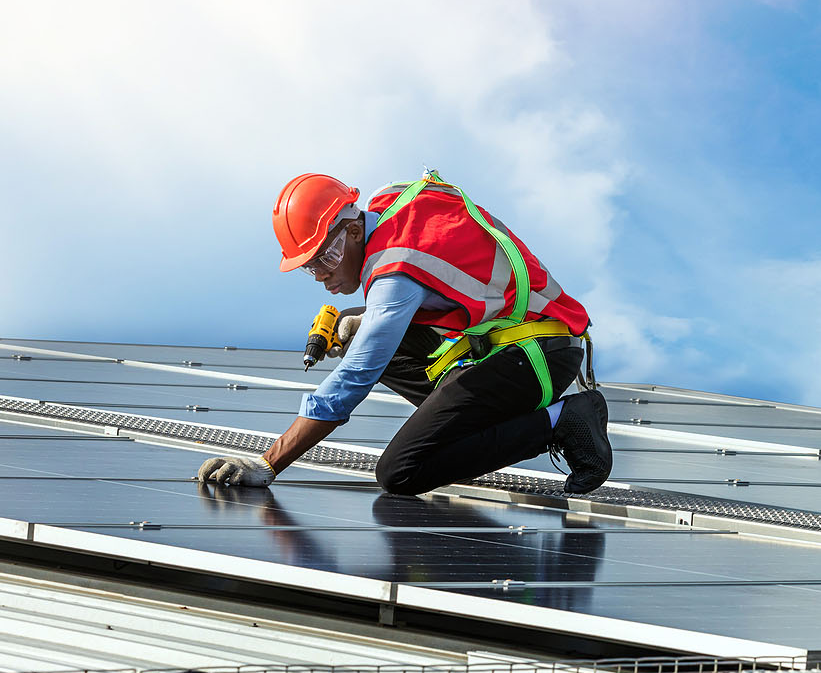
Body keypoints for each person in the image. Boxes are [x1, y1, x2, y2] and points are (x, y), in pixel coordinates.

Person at [197, 171, 612, 497]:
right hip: (508, 339)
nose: (322, 275)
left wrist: (269, 463)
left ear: (354, 230)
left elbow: (353, 380)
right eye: (310, 265)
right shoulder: (390, 201)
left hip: (535, 355)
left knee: (401, 471)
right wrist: (361, 321)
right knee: (360, 332)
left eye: (326, 256)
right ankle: (453, 421)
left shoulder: (395, 270)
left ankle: (563, 421)